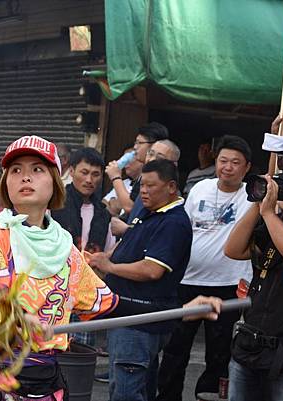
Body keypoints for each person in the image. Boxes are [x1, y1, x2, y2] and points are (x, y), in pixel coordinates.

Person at [0, 136, 222, 401]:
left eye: (37, 169)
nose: (24, 176)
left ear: (55, 183)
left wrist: (185, 309)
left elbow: (110, 305)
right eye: (15, 170)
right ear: (5, 184)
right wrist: (23, 320)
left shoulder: (66, 251)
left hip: (41, 382)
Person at [156, 135, 254, 400]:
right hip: (187, 280)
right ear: (216, 162)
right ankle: (167, 396)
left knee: (219, 353)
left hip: (229, 284)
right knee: (175, 348)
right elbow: (182, 230)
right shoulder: (200, 189)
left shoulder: (252, 196)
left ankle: (206, 396)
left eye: (236, 162)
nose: (228, 167)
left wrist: (275, 132)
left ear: (247, 167)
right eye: (223, 160)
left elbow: (274, 173)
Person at [87, 159, 193, 401]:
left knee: (126, 393)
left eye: (151, 186)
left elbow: (152, 269)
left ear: (171, 187)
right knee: (137, 387)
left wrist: (111, 266)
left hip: (140, 320)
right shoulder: (148, 211)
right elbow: (129, 241)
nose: (144, 191)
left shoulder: (173, 222)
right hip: (124, 314)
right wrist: (105, 257)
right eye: (142, 185)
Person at [224, 142, 283, 401]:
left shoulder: (279, 221)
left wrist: (268, 213)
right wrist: (258, 203)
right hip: (250, 349)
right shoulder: (281, 221)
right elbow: (234, 249)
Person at [52, 147, 115, 254]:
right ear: (72, 171)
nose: (89, 180)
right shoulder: (55, 204)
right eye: (84, 173)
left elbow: (107, 251)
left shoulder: (103, 214)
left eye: (95, 175)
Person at [107, 123, 169, 216]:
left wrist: (115, 177)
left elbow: (130, 207)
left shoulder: (157, 174)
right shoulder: (144, 173)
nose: (135, 147)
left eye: (139, 143)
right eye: (135, 143)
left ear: (153, 145)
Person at [103, 147, 143, 217]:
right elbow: (104, 203)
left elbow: (130, 207)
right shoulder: (124, 182)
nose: (126, 163)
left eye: (129, 158)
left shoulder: (143, 184)